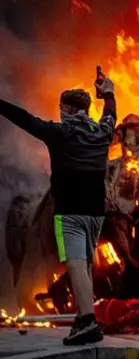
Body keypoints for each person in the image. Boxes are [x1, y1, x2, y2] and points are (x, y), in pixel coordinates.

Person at [0, 77, 117, 345]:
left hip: (70, 212)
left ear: (68, 109)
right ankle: (82, 320)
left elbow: (25, 119)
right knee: (85, 265)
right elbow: (111, 112)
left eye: (61, 107)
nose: (60, 112)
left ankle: (88, 321)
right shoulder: (103, 132)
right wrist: (107, 93)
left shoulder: (59, 132)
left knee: (76, 266)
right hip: (96, 213)